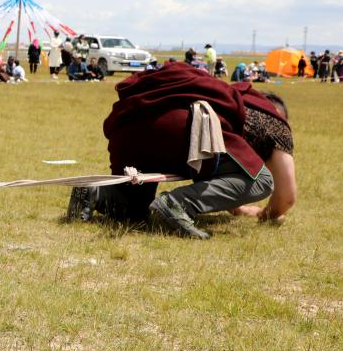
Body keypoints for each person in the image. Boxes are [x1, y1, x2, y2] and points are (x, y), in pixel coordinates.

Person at [68, 62, 295, 239]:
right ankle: (177, 204)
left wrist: (236, 208)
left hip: (131, 127)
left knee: (135, 209)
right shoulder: (276, 123)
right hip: (179, 127)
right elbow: (286, 197)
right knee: (262, 180)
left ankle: (94, 193)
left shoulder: (228, 97)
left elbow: (226, 181)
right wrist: (265, 214)